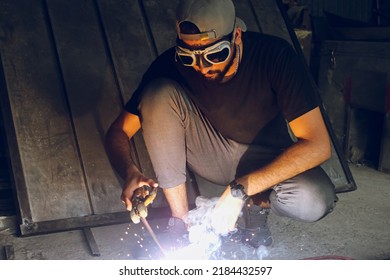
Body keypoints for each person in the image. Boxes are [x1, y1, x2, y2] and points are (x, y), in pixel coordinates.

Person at [105, 0, 337, 248]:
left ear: (237, 36)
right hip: (212, 154)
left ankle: (254, 207)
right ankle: (182, 223)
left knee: (313, 199)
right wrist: (129, 171)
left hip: (267, 157)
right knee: (157, 93)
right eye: (189, 56)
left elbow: (318, 145)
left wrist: (241, 190)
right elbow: (118, 132)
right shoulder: (169, 65)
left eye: (215, 54)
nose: (202, 67)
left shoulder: (275, 56)